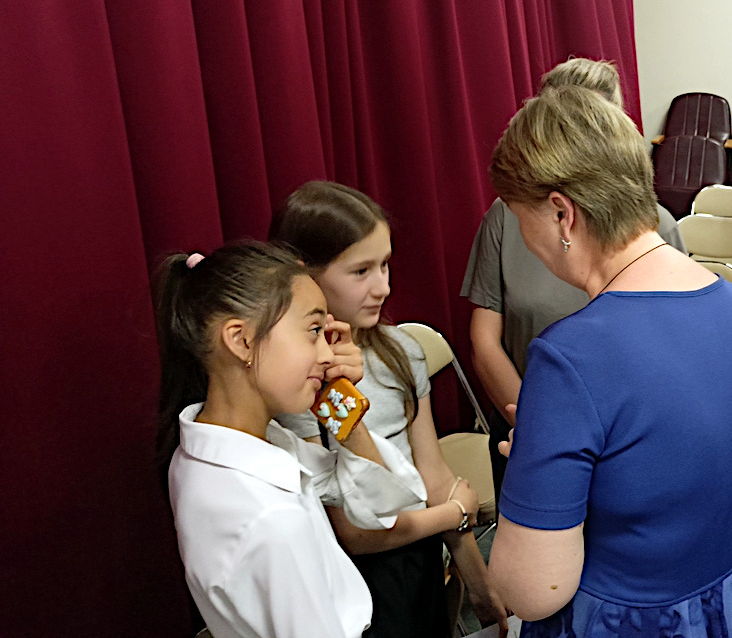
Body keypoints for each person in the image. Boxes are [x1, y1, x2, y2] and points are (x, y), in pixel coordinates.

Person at [485, 85, 732, 637]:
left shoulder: (569, 359)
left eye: (519, 217)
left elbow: (531, 591)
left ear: (562, 213)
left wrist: (533, 461)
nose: (522, 238)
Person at [271, 181, 508, 637]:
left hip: (416, 557)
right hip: (356, 582)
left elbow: (433, 475)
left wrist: (480, 586)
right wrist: (452, 515)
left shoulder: (402, 351)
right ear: (302, 277)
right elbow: (352, 532)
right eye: (361, 271)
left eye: (384, 264)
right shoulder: (298, 383)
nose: (383, 286)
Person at [157, 242, 419, 637]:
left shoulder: (215, 445)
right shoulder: (272, 519)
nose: (328, 355)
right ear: (242, 341)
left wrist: (338, 399)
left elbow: (379, 499)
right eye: (313, 331)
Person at [461, 57, 685, 498]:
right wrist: (537, 426)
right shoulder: (506, 216)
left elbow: (669, 355)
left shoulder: (658, 227)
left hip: (626, 442)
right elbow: (485, 340)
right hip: (524, 426)